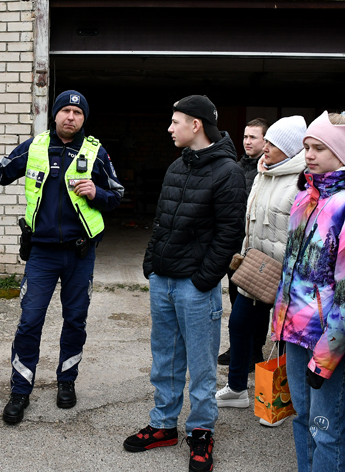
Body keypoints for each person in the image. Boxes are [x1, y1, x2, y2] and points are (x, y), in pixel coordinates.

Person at [0, 90, 123, 424]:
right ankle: (20, 391)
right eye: (65, 110)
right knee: (29, 322)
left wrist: (99, 193)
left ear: (84, 119)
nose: (70, 117)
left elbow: (117, 196)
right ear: (54, 115)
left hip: (81, 254)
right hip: (42, 255)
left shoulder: (96, 152)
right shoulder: (34, 147)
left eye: (77, 113)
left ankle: (66, 382)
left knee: (75, 320)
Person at [124, 95, 246, 472]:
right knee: (165, 358)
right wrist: (151, 263)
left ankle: (201, 432)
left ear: (196, 125)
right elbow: (161, 221)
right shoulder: (177, 166)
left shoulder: (228, 171)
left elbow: (229, 233)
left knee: (202, 365)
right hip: (163, 278)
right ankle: (163, 425)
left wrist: (205, 278)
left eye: (176, 121)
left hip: (196, 286)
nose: (169, 127)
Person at [272, 112, 345, 471]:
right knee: (301, 418)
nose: (308, 154)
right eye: (306, 146)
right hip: (293, 332)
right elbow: (291, 269)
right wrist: (278, 322)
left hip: (328, 340)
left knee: (326, 429)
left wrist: (325, 359)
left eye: (319, 147)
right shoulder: (304, 198)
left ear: (341, 152)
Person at [216, 115, 306, 427]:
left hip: (287, 275)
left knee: (283, 338)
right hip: (257, 267)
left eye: (271, 143)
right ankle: (237, 388)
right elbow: (250, 219)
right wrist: (242, 255)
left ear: (290, 148)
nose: (264, 147)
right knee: (239, 325)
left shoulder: (303, 181)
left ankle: (280, 401)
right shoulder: (261, 173)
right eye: (264, 142)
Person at [219, 117, 269, 367]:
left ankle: (255, 351)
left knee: (257, 302)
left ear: (265, 141)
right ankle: (238, 348)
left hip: (258, 249)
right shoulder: (239, 167)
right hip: (236, 247)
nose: (248, 141)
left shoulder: (266, 170)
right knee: (236, 298)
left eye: (254, 137)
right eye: (245, 137)